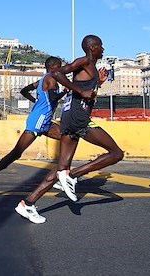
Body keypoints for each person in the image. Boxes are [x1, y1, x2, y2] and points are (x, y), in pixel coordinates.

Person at [15, 35, 124, 223]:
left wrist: (98, 83)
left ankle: (28, 203)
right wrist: (81, 91)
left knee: (60, 167)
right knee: (116, 153)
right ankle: (72, 175)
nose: (103, 49)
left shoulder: (90, 68)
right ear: (92, 47)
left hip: (69, 117)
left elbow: (85, 90)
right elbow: (56, 74)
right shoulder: (84, 61)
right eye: (100, 46)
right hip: (78, 117)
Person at [0, 56, 69, 200]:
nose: (62, 70)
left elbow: (24, 91)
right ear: (53, 67)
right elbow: (54, 98)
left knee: (68, 138)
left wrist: (36, 102)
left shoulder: (41, 80)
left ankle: (62, 174)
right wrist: (65, 91)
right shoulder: (51, 79)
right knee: (16, 153)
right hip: (38, 121)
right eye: (59, 67)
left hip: (43, 120)